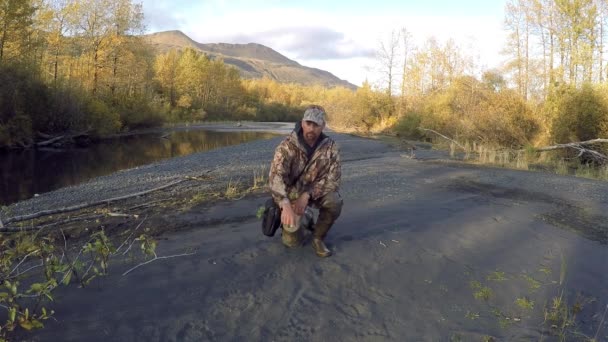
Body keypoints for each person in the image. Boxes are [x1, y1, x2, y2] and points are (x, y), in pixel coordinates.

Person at [268, 105, 343, 257]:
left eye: (316, 125)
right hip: (290, 196)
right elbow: (275, 177)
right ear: (302, 123)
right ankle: (303, 218)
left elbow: (333, 179)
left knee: (335, 201)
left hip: (315, 192)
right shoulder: (286, 146)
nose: (311, 129)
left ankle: (318, 238)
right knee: (292, 242)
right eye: (308, 124)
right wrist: (285, 203)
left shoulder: (331, 147)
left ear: (323, 126)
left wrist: (307, 194)